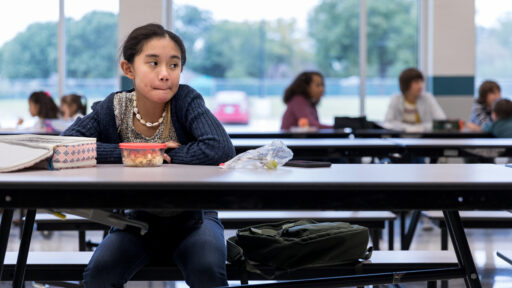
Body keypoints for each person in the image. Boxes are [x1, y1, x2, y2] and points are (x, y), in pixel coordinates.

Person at [62, 23, 235, 288]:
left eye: (174, 65)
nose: (165, 74)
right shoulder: (113, 108)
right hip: (134, 222)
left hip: (194, 220)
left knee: (208, 270)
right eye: (153, 63)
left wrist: (166, 155)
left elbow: (220, 148)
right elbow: (66, 145)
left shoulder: (186, 100)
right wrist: (135, 154)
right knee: (99, 275)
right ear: (128, 68)